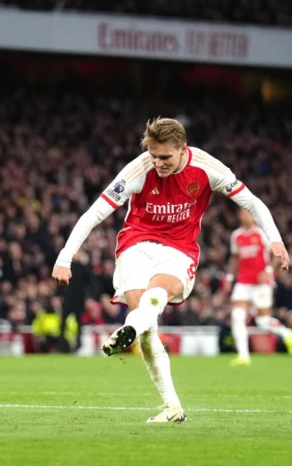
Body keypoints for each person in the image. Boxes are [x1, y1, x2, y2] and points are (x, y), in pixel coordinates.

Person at [52, 117, 289, 423]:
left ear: (182, 149)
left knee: (156, 296)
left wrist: (275, 240)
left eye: (165, 157)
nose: (158, 162)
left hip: (179, 250)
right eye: (153, 155)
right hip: (136, 245)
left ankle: (131, 328)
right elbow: (95, 212)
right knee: (147, 325)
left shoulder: (206, 168)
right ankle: (172, 406)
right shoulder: (139, 169)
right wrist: (64, 257)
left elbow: (253, 203)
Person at [225, 209, 292, 366]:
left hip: (262, 283)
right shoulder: (236, 236)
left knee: (262, 321)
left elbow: (277, 255)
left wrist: (268, 271)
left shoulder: (262, 234)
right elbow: (235, 259)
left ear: (254, 216)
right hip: (243, 282)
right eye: (241, 213)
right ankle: (243, 356)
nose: (243, 216)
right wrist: (229, 277)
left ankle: (286, 333)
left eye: (247, 213)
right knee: (237, 316)